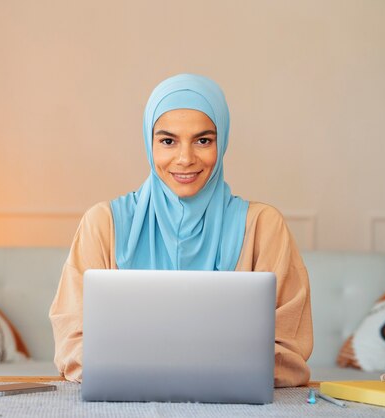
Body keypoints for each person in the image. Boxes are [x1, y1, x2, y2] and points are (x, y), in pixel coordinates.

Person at [49, 74, 313, 387]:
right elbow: (71, 339)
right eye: (168, 141)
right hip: (126, 402)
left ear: (222, 141)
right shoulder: (103, 223)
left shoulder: (263, 226)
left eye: (203, 140)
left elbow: (289, 347)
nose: (185, 159)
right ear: (149, 144)